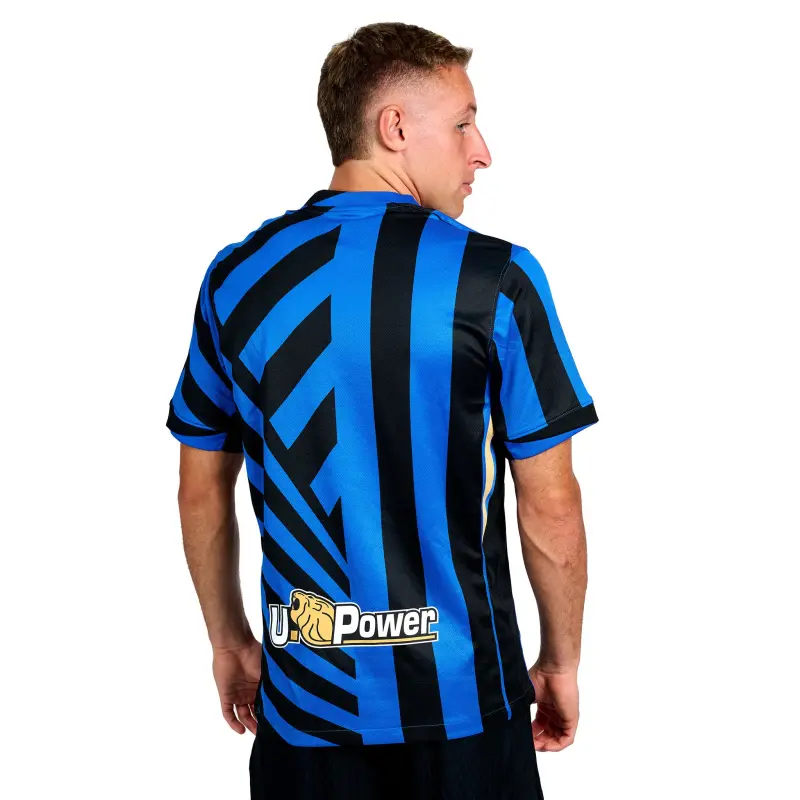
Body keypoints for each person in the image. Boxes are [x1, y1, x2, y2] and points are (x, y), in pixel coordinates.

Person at [166, 21, 598, 800]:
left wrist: (229, 642)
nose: (482, 151)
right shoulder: (495, 279)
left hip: (305, 708)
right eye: (463, 123)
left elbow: (200, 488)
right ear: (394, 127)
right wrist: (561, 661)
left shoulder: (237, 279)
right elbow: (550, 503)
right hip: (467, 706)